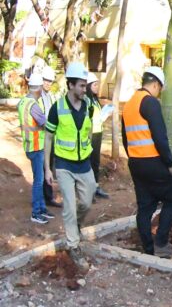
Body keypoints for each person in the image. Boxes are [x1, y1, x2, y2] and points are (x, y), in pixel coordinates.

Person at [122, 66, 172, 257]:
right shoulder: (150, 102)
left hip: (135, 162)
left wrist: (133, 156)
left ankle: (149, 248)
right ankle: (161, 243)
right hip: (154, 162)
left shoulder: (129, 103)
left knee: (145, 206)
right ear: (156, 84)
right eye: (160, 88)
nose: (160, 93)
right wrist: (169, 163)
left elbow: (125, 138)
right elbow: (160, 136)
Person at [43, 62, 96, 266]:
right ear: (71, 85)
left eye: (85, 85)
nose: (85, 89)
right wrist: (48, 168)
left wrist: (87, 144)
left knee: (87, 202)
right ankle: (73, 245)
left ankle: (77, 227)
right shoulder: (57, 109)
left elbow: (89, 128)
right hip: (64, 164)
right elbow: (48, 138)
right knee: (69, 208)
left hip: (84, 164)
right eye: (82, 86)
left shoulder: (89, 105)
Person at [19, 73, 51, 224]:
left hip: (29, 146)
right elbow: (45, 124)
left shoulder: (23, 102)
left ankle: (42, 207)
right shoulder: (34, 105)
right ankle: (36, 212)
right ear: (38, 90)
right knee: (38, 181)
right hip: (36, 146)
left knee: (38, 178)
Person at [86, 73, 110, 200]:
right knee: (89, 163)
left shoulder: (95, 100)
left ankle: (95, 187)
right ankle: (89, 191)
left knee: (95, 162)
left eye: (97, 84)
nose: (97, 87)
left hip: (97, 133)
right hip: (90, 135)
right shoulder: (87, 100)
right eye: (94, 85)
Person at [40, 65, 61, 209]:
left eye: (50, 81)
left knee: (48, 167)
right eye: (45, 80)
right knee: (42, 169)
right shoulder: (38, 97)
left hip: (50, 137)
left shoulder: (49, 96)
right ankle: (42, 199)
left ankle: (48, 197)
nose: (48, 83)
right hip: (41, 139)